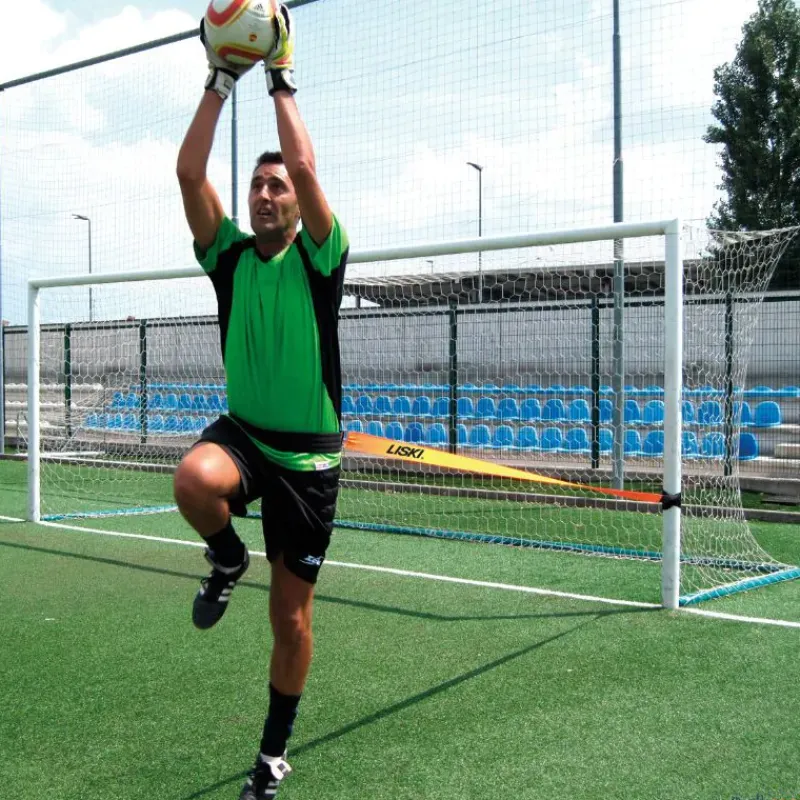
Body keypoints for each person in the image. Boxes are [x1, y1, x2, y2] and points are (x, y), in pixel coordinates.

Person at [174, 6, 348, 798]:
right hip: (245, 436)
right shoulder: (230, 259)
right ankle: (227, 556)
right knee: (191, 480)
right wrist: (218, 80)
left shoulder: (319, 259)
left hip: (308, 463)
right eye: (259, 184)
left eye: (277, 184)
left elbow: (311, 173)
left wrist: (280, 74)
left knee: (292, 622)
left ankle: (272, 755)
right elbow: (187, 174)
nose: (268, 193)